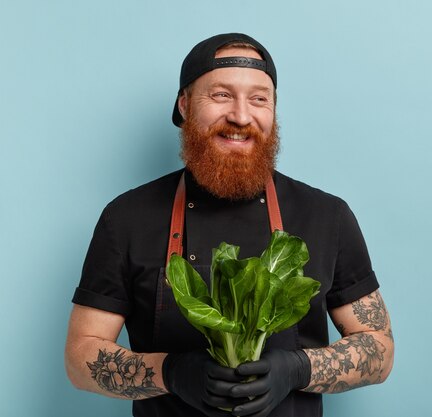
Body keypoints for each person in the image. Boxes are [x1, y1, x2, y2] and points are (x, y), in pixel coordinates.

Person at [65, 33, 394, 417]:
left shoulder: (327, 215)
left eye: (259, 99)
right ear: (185, 105)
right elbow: (80, 357)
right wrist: (170, 372)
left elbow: (379, 349)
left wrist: (297, 369)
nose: (241, 116)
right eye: (221, 95)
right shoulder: (127, 217)